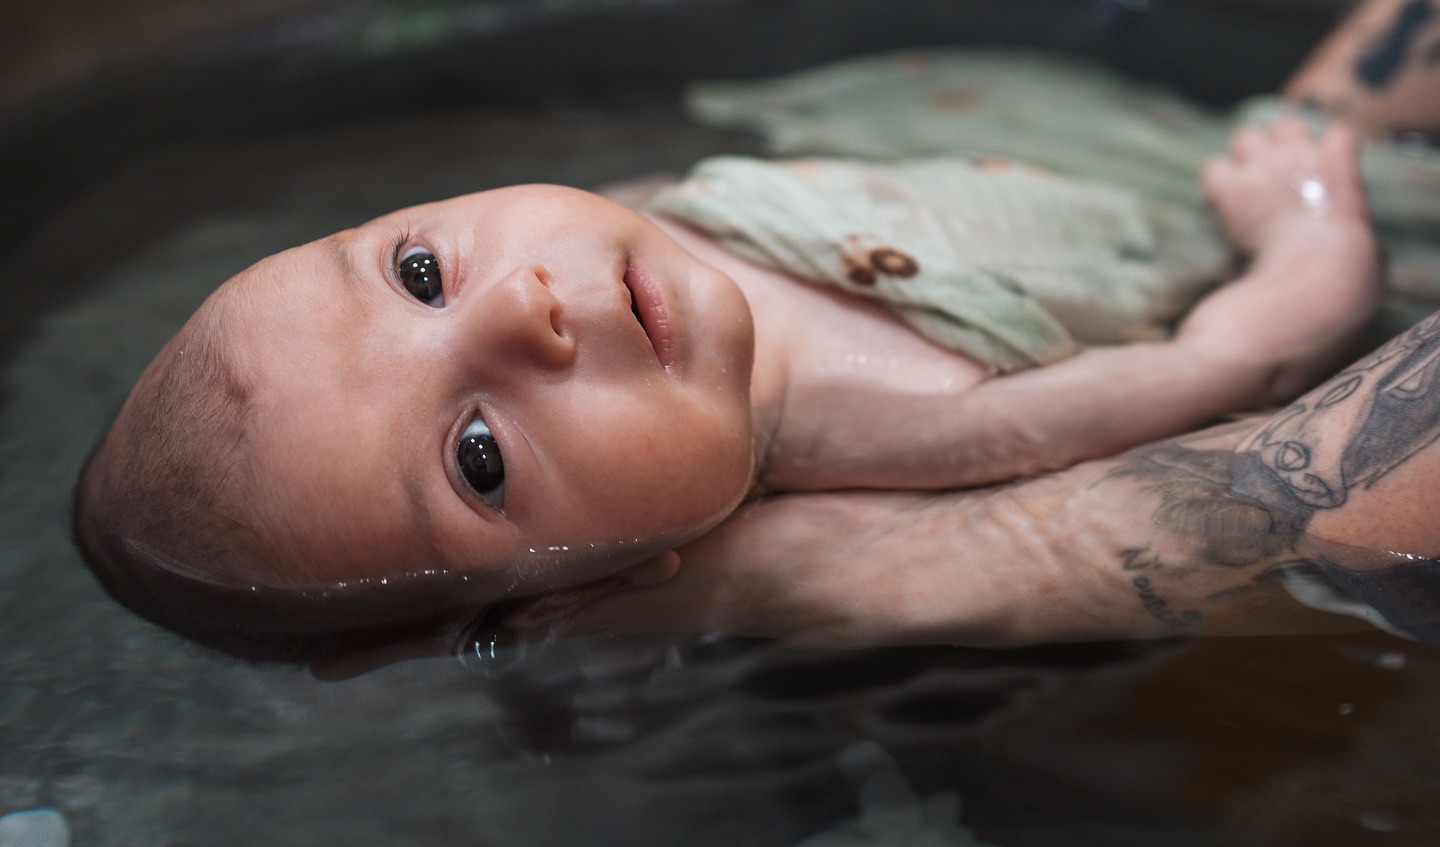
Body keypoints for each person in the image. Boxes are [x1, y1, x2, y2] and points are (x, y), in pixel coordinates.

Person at [71, 111, 1379, 665]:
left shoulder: (627, 235)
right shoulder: (916, 419)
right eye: (479, 456)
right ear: (584, 584)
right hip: (1196, 207)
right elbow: (1234, 362)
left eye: (420, 270)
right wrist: (1309, 228)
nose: (523, 307)